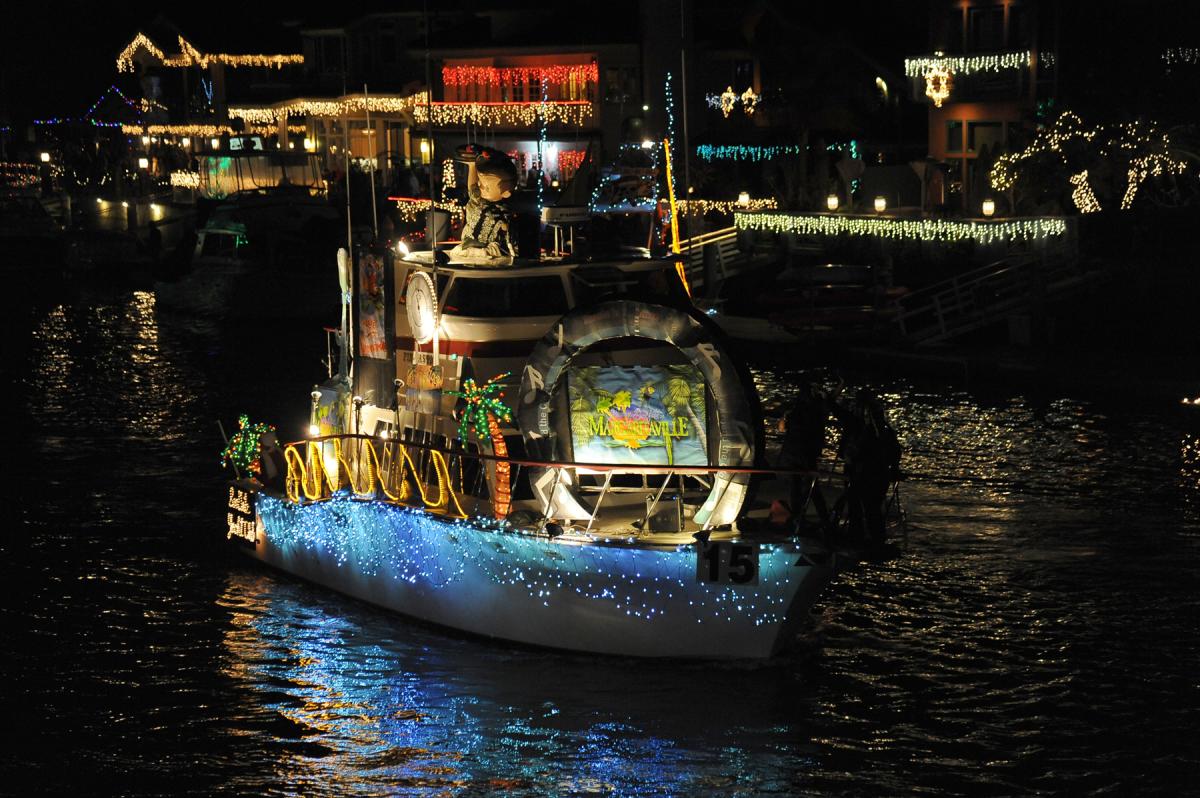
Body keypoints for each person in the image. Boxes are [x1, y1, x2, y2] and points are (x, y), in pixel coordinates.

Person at [837, 388, 902, 547]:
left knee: (862, 507)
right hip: (874, 473)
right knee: (869, 508)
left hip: (865, 473)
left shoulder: (866, 428)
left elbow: (863, 449)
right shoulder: (883, 429)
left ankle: (862, 537)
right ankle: (873, 538)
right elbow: (894, 451)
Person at [778, 381, 832, 531]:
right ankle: (811, 519)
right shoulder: (812, 409)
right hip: (802, 454)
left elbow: (782, 428)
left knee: (804, 487)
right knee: (809, 488)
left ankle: (800, 518)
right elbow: (783, 428)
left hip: (797, 454)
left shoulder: (799, 410)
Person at [451, 145, 518, 263]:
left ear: (506, 193)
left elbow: (508, 233)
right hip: (467, 246)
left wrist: (504, 227)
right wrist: (472, 166)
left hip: (487, 252)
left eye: (487, 187)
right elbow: (472, 188)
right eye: (480, 182)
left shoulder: (503, 212)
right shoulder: (478, 200)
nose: (480, 186)